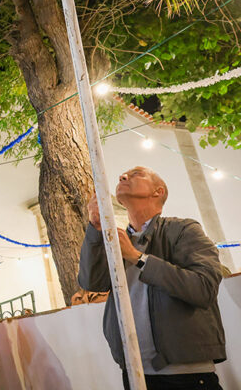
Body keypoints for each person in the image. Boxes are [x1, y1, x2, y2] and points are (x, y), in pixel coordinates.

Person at [79, 166, 226, 389]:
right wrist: (95, 228)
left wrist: (136, 257)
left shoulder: (183, 229)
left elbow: (203, 288)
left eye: (136, 173)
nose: (123, 176)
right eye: (123, 175)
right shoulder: (115, 240)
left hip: (187, 376)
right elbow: (91, 282)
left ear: (158, 191)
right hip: (134, 374)